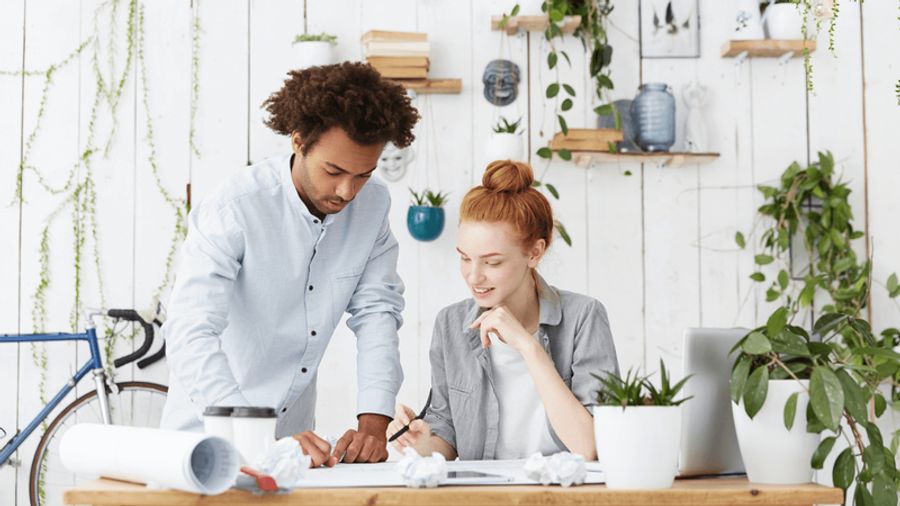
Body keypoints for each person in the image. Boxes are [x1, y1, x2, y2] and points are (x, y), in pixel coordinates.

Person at [160, 62, 420, 467]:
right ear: (298, 141)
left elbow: (377, 313)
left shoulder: (373, 208)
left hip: (299, 451)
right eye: (333, 170)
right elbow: (190, 331)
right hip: (208, 441)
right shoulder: (235, 207)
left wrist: (373, 424)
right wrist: (255, 438)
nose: (347, 191)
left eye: (363, 175)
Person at [387, 160, 619, 460]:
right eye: (464, 258)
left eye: (492, 262)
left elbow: (590, 446)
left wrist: (527, 346)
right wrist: (420, 443)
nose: (473, 276)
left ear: (534, 253)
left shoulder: (583, 318)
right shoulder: (450, 323)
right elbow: (447, 432)